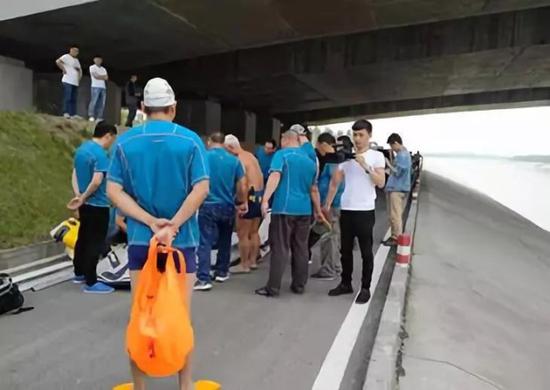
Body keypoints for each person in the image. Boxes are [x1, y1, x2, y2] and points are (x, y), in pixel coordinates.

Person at [107, 77, 209, 390]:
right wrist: (173, 224)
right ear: (173, 108)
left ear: (141, 109)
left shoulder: (125, 142)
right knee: (181, 316)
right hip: (182, 242)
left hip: (141, 240)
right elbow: (201, 188)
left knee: (141, 315)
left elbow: (114, 190)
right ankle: (185, 384)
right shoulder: (191, 141)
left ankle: (140, 386)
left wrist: (150, 221)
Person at [255, 128, 323, 297]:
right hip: (304, 210)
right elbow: (314, 189)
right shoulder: (310, 161)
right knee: (301, 247)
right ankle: (299, 285)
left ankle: (273, 287)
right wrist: (318, 210)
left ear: (285, 140)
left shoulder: (282, 155)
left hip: (284, 208)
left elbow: (275, 176)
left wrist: (265, 199)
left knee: (280, 247)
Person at [324, 119, 386, 304]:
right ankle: (345, 283)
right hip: (347, 209)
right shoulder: (345, 158)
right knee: (345, 250)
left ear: (369, 136)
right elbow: (335, 182)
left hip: (365, 210)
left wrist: (365, 166)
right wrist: (327, 204)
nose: (357, 139)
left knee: (366, 251)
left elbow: (381, 182)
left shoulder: (376, 157)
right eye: (355, 135)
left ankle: (365, 287)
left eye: (361, 135)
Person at [67, 121, 117, 293]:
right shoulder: (100, 155)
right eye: (112, 138)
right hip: (98, 204)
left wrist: (79, 196)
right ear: (108, 135)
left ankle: (79, 272)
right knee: (95, 242)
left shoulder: (82, 150)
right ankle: (91, 281)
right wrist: (86, 196)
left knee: (83, 238)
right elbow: (96, 181)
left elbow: (74, 174)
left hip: (85, 205)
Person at [194, 133, 248, 291]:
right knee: (225, 240)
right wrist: (241, 201)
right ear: (224, 143)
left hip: (207, 204)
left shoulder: (203, 157)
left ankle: (203, 278)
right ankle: (222, 271)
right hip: (227, 205)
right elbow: (242, 185)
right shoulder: (234, 160)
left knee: (204, 242)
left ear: (209, 142)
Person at [225, 135, 265, 273]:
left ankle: (244, 264)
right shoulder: (251, 156)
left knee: (243, 233)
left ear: (231, 147)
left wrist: (242, 201)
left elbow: (243, 184)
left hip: (249, 196)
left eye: (226, 150)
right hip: (259, 194)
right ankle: (253, 261)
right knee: (254, 232)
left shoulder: (239, 160)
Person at [310, 132, 345, 281]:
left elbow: (334, 185)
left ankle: (329, 269)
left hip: (331, 205)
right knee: (334, 236)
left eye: (318, 146)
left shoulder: (333, 162)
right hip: (334, 204)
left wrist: (326, 204)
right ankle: (335, 267)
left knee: (328, 237)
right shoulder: (337, 161)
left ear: (324, 144)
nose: (318, 149)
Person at [382, 133, 412, 246]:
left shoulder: (402, 155)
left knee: (395, 215)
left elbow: (397, 172)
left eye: (391, 146)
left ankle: (396, 238)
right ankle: (395, 236)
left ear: (396, 143)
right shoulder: (404, 154)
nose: (392, 149)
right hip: (399, 187)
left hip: (397, 188)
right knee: (395, 214)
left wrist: (388, 163)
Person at [56, 45, 82, 119]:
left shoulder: (76, 60)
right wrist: (63, 69)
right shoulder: (66, 56)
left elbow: (80, 70)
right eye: (74, 50)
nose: (75, 52)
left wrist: (79, 79)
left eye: (77, 51)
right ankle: (66, 112)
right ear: (71, 50)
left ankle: (73, 114)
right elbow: (58, 61)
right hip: (67, 80)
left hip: (75, 82)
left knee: (74, 98)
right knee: (67, 97)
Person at [88, 55, 108, 122]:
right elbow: (95, 76)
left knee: (102, 103)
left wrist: (100, 76)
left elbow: (106, 78)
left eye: (99, 60)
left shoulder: (103, 69)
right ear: (94, 60)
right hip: (95, 86)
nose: (98, 61)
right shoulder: (92, 67)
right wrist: (102, 76)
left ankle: (99, 117)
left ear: (101, 61)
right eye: (97, 60)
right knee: (94, 101)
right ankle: (91, 116)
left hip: (103, 87)